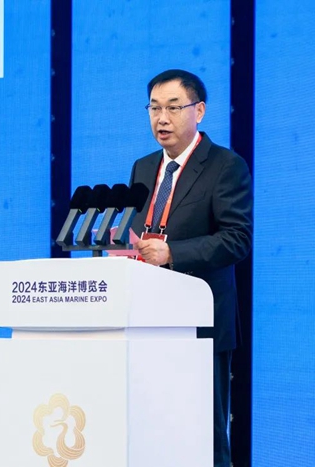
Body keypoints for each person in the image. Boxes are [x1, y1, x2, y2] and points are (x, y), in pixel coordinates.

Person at [130, 69, 253, 467]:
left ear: (198, 111)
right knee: (152, 433)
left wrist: (172, 252)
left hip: (200, 325)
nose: (161, 119)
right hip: (144, 322)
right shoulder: (143, 167)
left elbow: (237, 239)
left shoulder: (225, 165)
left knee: (204, 438)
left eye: (173, 108)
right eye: (154, 108)